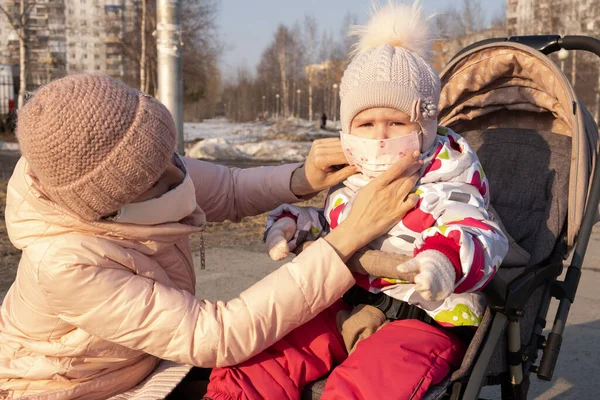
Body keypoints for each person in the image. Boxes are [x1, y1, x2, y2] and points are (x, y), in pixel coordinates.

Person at [0, 73, 421, 399]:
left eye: (169, 154)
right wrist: (345, 239)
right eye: (156, 178)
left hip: (135, 361)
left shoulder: (129, 170)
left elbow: (227, 189)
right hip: (74, 388)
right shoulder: (64, 264)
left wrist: (300, 178)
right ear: (109, 205)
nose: (178, 175)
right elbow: (217, 335)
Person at [205, 2, 508, 399]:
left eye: (397, 123)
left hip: (426, 315)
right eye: (366, 124)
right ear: (349, 128)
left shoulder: (444, 174)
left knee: (369, 386)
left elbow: (475, 229)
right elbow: (336, 224)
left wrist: (443, 260)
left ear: (425, 126)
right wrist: (295, 224)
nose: (380, 136)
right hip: (346, 296)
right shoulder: (356, 173)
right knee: (264, 354)